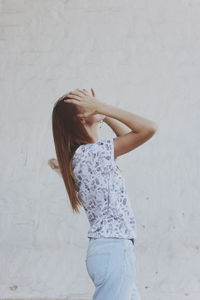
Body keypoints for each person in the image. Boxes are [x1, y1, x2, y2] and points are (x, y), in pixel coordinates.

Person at [51, 88, 158, 300]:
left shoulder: (88, 155)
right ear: (80, 118)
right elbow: (148, 129)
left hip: (112, 249)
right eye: (86, 102)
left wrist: (104, 114)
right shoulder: (91, 155)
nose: (93, 101)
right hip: (114, 248)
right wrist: (104, 108)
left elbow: (127, 137)